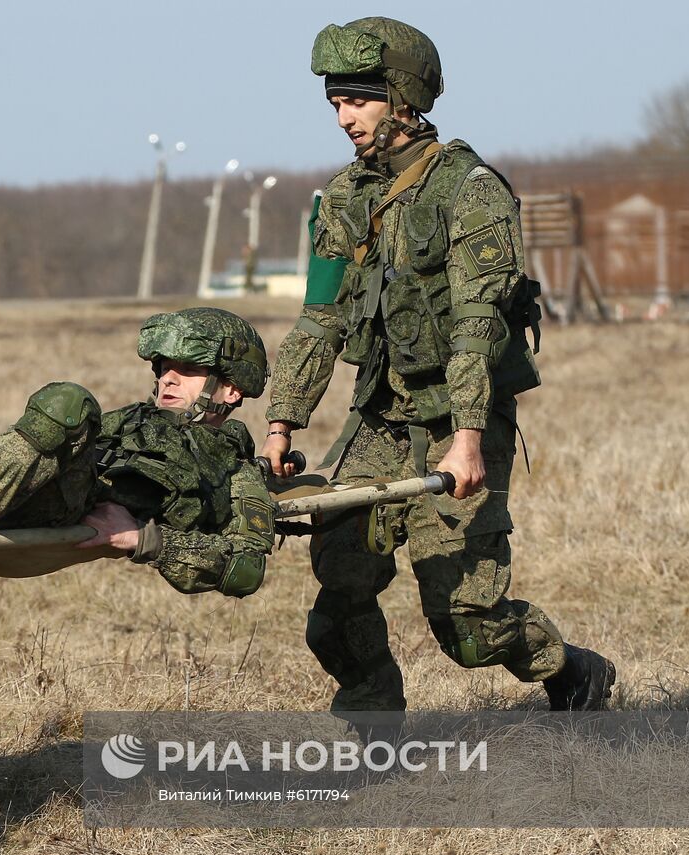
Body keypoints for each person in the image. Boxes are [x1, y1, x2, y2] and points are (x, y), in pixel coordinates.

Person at [261, 18, 615, 713]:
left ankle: (570, 670)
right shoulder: (341, 199)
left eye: (356, 100)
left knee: (469, 626)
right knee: (341, 584)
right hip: (378, 420)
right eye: (334, 103)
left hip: (456, 417)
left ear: (401, 95)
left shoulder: (470, 190)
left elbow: (479, 328)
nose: (343, 116)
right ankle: (371, 722)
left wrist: (467, 438)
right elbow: (321, 316)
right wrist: (280, 421)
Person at [0, 307, 276, 598]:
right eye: (164, 368)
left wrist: (140, 538)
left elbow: (245, 569)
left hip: (57, 508)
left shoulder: (233, 468)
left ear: (232, 388)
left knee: (68, 401)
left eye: (188, 371)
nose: (168, 380)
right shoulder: (130, 419)